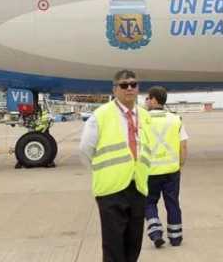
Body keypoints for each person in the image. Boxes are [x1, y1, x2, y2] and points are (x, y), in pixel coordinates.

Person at [79, 70, 152, 262]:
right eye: (124, 85)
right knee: (113, 246)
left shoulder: (145, 116)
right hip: (111, 190)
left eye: (133, 84)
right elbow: (85, 149)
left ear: (138, 88)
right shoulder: (101, 115)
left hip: (138, 187)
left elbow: (147, 148)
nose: (129, 88)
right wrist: (102, 173)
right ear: (115, 89)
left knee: (133, 244)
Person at [143, 86, 189, 248]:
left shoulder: (143, 120)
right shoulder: (176, 120)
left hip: (150, 171)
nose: (146, 101)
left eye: (148, 98)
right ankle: (175, 237)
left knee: (149, 203)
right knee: (173, 204)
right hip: (171, 171)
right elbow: (183, 146)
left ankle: (155, 232)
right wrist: (180, 164)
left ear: (154, 99)